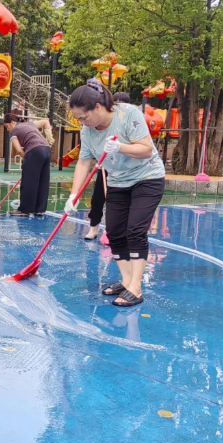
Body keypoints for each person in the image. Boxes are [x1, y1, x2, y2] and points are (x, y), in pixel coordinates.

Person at [66, 79, 165, 307]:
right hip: (118, 181)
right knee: (115, 232)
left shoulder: (128, 114)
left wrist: (121, 147)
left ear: (97, 107)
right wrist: (74, 194)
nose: (82, 122)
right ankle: (127, 281)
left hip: (147, 177)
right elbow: (83, 162)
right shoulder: (87, 131)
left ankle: (135, 288)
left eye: (84, 117)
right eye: (78, 119)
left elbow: (146, 149)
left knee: (135, 230)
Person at [84, 91, 133, 240]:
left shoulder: (130, 121)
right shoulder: (103, 122)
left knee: (119, 201)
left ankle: (115, 230)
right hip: (106, 165)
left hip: (126, 169)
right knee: (98, 196)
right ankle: (93, 227)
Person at [3, 112, 52, 217]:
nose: (7, 129)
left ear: (12, 122)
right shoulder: (30, 124)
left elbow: (19, 150)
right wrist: (49, 136)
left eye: (7, 126)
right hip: (47, 149)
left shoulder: (13, 131)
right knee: (43, 180)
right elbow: (45, 121)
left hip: (34, 150)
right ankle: (39, 209)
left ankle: (25, 210)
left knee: (29, 181)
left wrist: (27, 159)